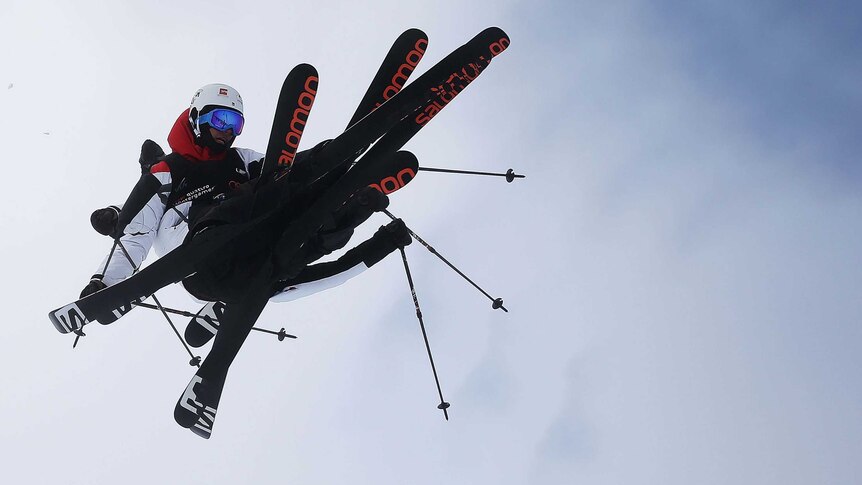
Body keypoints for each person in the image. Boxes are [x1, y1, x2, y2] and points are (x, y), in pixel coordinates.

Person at [81, 83, 410, 307]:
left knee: (287, 238)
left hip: (246, 254)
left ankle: (339, 215)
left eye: (235, 123)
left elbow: (286, 169)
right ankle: (316, 221)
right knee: (242, 208)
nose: (228, 130)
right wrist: (106, 284)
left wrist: (329, 155)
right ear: (197, 118)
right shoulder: (166, 172)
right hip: (196, 250)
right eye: (221, 119)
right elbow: (135, 236)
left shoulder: (241, 160)